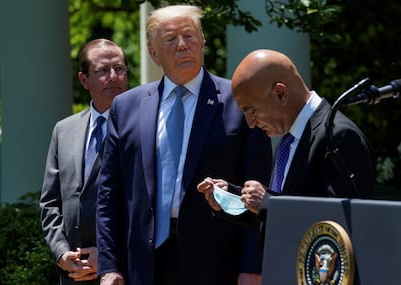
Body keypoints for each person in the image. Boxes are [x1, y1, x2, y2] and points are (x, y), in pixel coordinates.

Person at [96, 5, 273, 285]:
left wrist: (253, 266)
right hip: (145, 265)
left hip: (218, 264)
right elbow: (109, 195)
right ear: (154, 53)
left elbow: (260, 189)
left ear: (202, 42)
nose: (182, 46)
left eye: (189, 36)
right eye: (170, 40)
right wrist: (109, 267)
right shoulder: (126, 107)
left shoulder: (238, 101)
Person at [198, 49, 375, 229]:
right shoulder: (289, 139)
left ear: (280, 94)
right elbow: (281, 219)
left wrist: (269, 203)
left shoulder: (338, 136)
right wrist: (233, 199)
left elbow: (344, 224)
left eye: (252, 111)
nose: (250, 124)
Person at [40, 38, 128, 285]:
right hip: (73, 273)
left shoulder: (144, 127)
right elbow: (50, 201)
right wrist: (61, 254)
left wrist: (110, 256)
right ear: (83, 80)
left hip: (122, 272)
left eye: (119, 69)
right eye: (102, 70)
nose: (113, 77)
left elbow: (146, 207)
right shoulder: (63, 130)